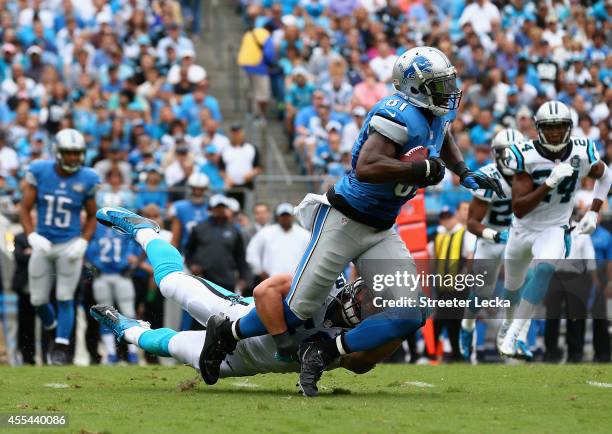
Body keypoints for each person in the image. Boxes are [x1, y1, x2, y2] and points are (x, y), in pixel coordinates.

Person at [201, 47, 504, 396]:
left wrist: (464, 172)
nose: (448, 89)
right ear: (415, 87)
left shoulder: (435, 114)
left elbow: (443, 136)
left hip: (381, 228)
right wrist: (416, 169)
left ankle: (324, 351)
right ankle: (226, 331)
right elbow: (366, 166)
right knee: (296, 313)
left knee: (409, 313)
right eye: (439, 83)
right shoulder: (398, 114)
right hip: (344, 221)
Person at [91, 206, 403, 381]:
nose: (363, 304)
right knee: (171, 284)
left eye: (373, 305)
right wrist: (284, 341)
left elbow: (358, 364)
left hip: (244, 365)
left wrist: (397, 330)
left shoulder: (361, 337)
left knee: (168, 345)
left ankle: (126, 329)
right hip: (234, 316)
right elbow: (265, 290)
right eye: (366, 295)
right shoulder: (326, 285)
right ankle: (144, 230)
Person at [499, 101, 612, 359]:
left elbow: (605, 175)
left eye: (560, 128)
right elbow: (519, 208)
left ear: (569, 128)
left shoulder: (583, 151)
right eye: (549, 128)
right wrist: (549, 183)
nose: (554, 133)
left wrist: (594, 211)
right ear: (538, 129)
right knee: (512, 288)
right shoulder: (525, 154)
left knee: (546, 268)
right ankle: (508, 324)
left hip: (554, 226)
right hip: (523, 229)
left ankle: (514, 335)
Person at [19, 128, 100, 365]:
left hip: (69, 243)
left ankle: (61, 346)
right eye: (69, 153)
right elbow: (24, 207)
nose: (74, 158)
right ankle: (52, 327)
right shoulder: (40, 171)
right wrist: (31, 235)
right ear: (57, 152)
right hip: (43, 243)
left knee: (65, 296)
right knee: (37, 300)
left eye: (77, 153)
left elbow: (93, 215)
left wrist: (84, 240)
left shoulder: (88, 177)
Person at [459, 129, 524, 359]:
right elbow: (472, 223)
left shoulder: (530, 174)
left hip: (516, 235)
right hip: (490, 238)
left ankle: (511, 333)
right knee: (482, 294)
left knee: (517, 287)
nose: (508, 158)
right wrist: (496, 236)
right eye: (503, 153)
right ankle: (467, 326)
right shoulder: (488, 176)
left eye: (512, 153)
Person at [544, 209, 597, 363]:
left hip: (576, 278)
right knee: (551, 315)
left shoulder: (581, 231)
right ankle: (551, 352)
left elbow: (590, 257)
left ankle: (575, 353)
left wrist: (593, 280)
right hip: (554, 276)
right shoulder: (550, 232)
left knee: (576, 317)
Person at [86, 223, 141, 364]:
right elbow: (87, 249)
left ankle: (132, 353)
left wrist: (132, 264)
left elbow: (135, 250)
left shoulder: (122, 227)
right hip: (105, 275)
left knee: (127, 313)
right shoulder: (120, 227)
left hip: (119, 275)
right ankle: (112, 353)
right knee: (105, 315)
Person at [185, 194, 249, 293]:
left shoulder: (234, 230)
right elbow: (189, 250)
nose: (219, 210)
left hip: (227, 280)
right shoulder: (199, 228)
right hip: (203, 279)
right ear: (211, 208)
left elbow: (240, 256)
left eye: (222, 207)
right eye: (217, 207)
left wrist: (243, 277)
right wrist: (191, 264)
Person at [246, 202, 310, 282]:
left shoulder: (304, 235)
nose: (285, 218)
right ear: (277, 217)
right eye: (283, 216)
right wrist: (259, 271)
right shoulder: (266, 232)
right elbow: (252, 252)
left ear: (293, 216)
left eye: (288, 216)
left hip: (297, 281)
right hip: (270, 281)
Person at [167, 172, 209, 249]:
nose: (197, 193)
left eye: (201, 189)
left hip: (208, 250)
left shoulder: (212, 207)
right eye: (195, 189)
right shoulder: (179, 207)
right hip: (186, 250)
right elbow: (175, 239)